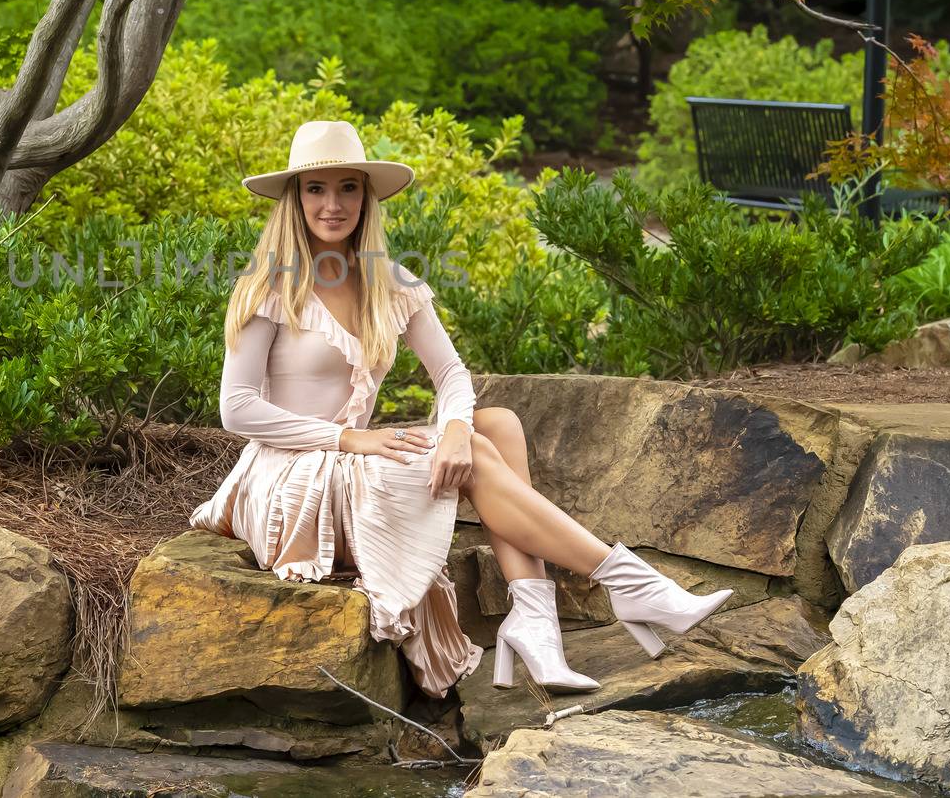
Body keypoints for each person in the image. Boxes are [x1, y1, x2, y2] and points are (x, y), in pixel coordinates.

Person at [189, 120, 733, 699]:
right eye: (316, 189)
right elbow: (237, 409)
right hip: (288, 479)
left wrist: (451, 428)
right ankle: (627, 584)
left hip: (349, 469)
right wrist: (353, 439)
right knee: (476, 443)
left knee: (495, 424)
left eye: (348, 187)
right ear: (294, 199)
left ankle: (537, 624)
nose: (333, 204)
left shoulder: (393, 285)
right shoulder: (269, 286)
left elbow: (451, 374)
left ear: (366, 197)